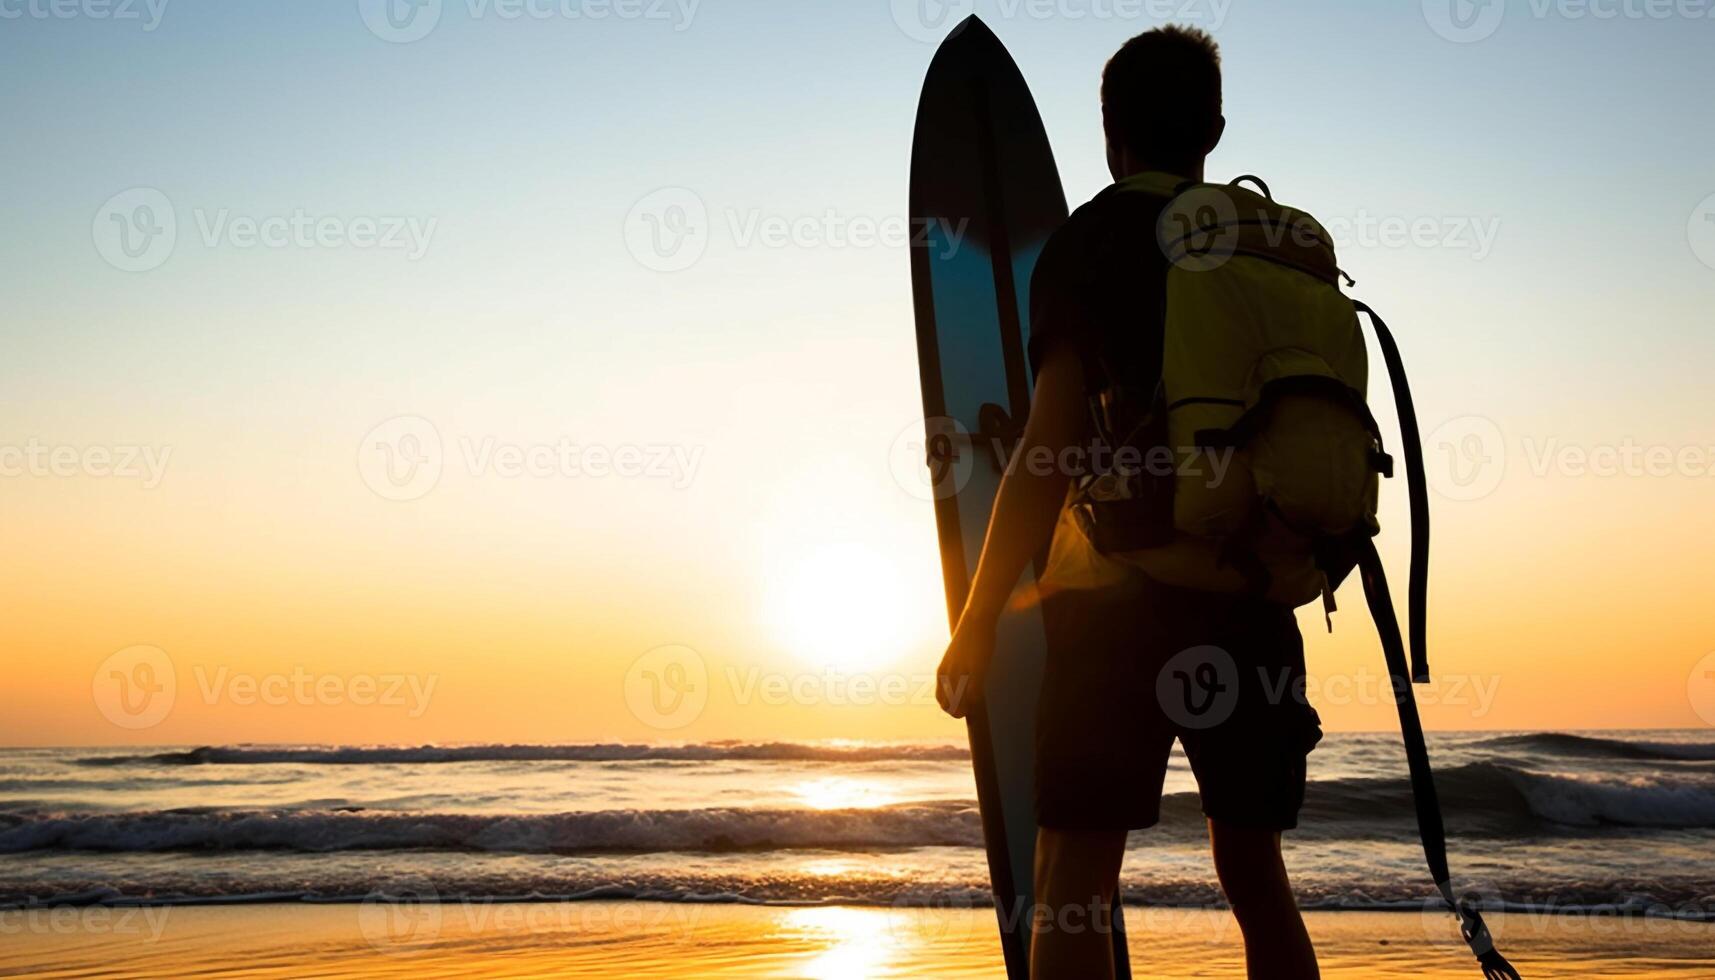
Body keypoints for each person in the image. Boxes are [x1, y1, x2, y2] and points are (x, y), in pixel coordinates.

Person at [935, 26, 1323, 980]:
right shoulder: (1275, 247)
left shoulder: (1092, 241)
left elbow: (1048, 445)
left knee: (1072, 874)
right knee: (1254, 873)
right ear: (1215, 130)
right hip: (1254, 596)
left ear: (1108, 135)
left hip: (1116, 606)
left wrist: (978, 617)